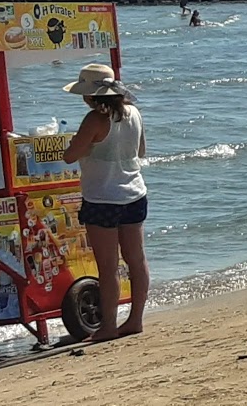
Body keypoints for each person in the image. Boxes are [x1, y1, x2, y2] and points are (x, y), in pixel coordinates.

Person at [61, 64, 150, 341]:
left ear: (91, 96)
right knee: (136, 259)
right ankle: (135, 319)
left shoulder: (94, 120)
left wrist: (85, 144)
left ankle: (109, 326)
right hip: (134, 193)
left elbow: (69, 156)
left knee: (108, 266)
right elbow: (141, 150)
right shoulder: (134, 113)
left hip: (102, 198)